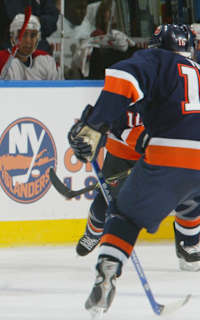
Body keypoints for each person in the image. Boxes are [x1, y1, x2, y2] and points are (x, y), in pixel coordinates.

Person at [67, 24, 200, 316]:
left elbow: (121, 76)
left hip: (170, 153)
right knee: (191, 199)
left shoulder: (158, 60)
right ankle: (190, 248)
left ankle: (108, 271)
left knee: (124, 217)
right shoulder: (197, 70)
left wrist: (93, 126)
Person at [74, 108, 200, 272]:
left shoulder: (169, 88)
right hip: (122, 155)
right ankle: (93, 233)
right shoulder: (129, 86)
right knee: (105, 204)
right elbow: (116, 122)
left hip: (161, 152)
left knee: (187, 195)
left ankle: (187, 245)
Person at [0, 13, 60, 80]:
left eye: (33, 35)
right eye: (23, 35)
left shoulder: (46, 60)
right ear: (12, 37)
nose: (28, 41)